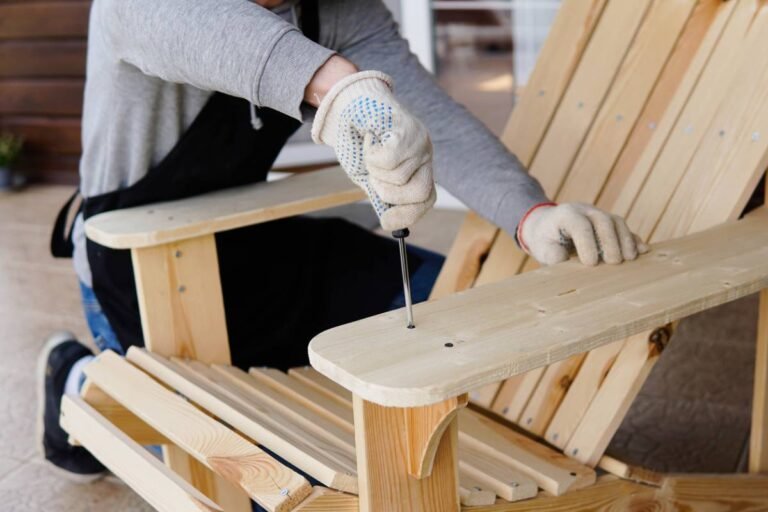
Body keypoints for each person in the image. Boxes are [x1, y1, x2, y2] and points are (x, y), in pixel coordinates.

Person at [39, 0, 647, 487]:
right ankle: (75, 374)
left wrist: (531, 214)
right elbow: (210, 28)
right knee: (266, 483)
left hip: (254, 247)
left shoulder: (339, 13)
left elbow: (433, 119)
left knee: (468, 300)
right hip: (135, 270)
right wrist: (340, 85)